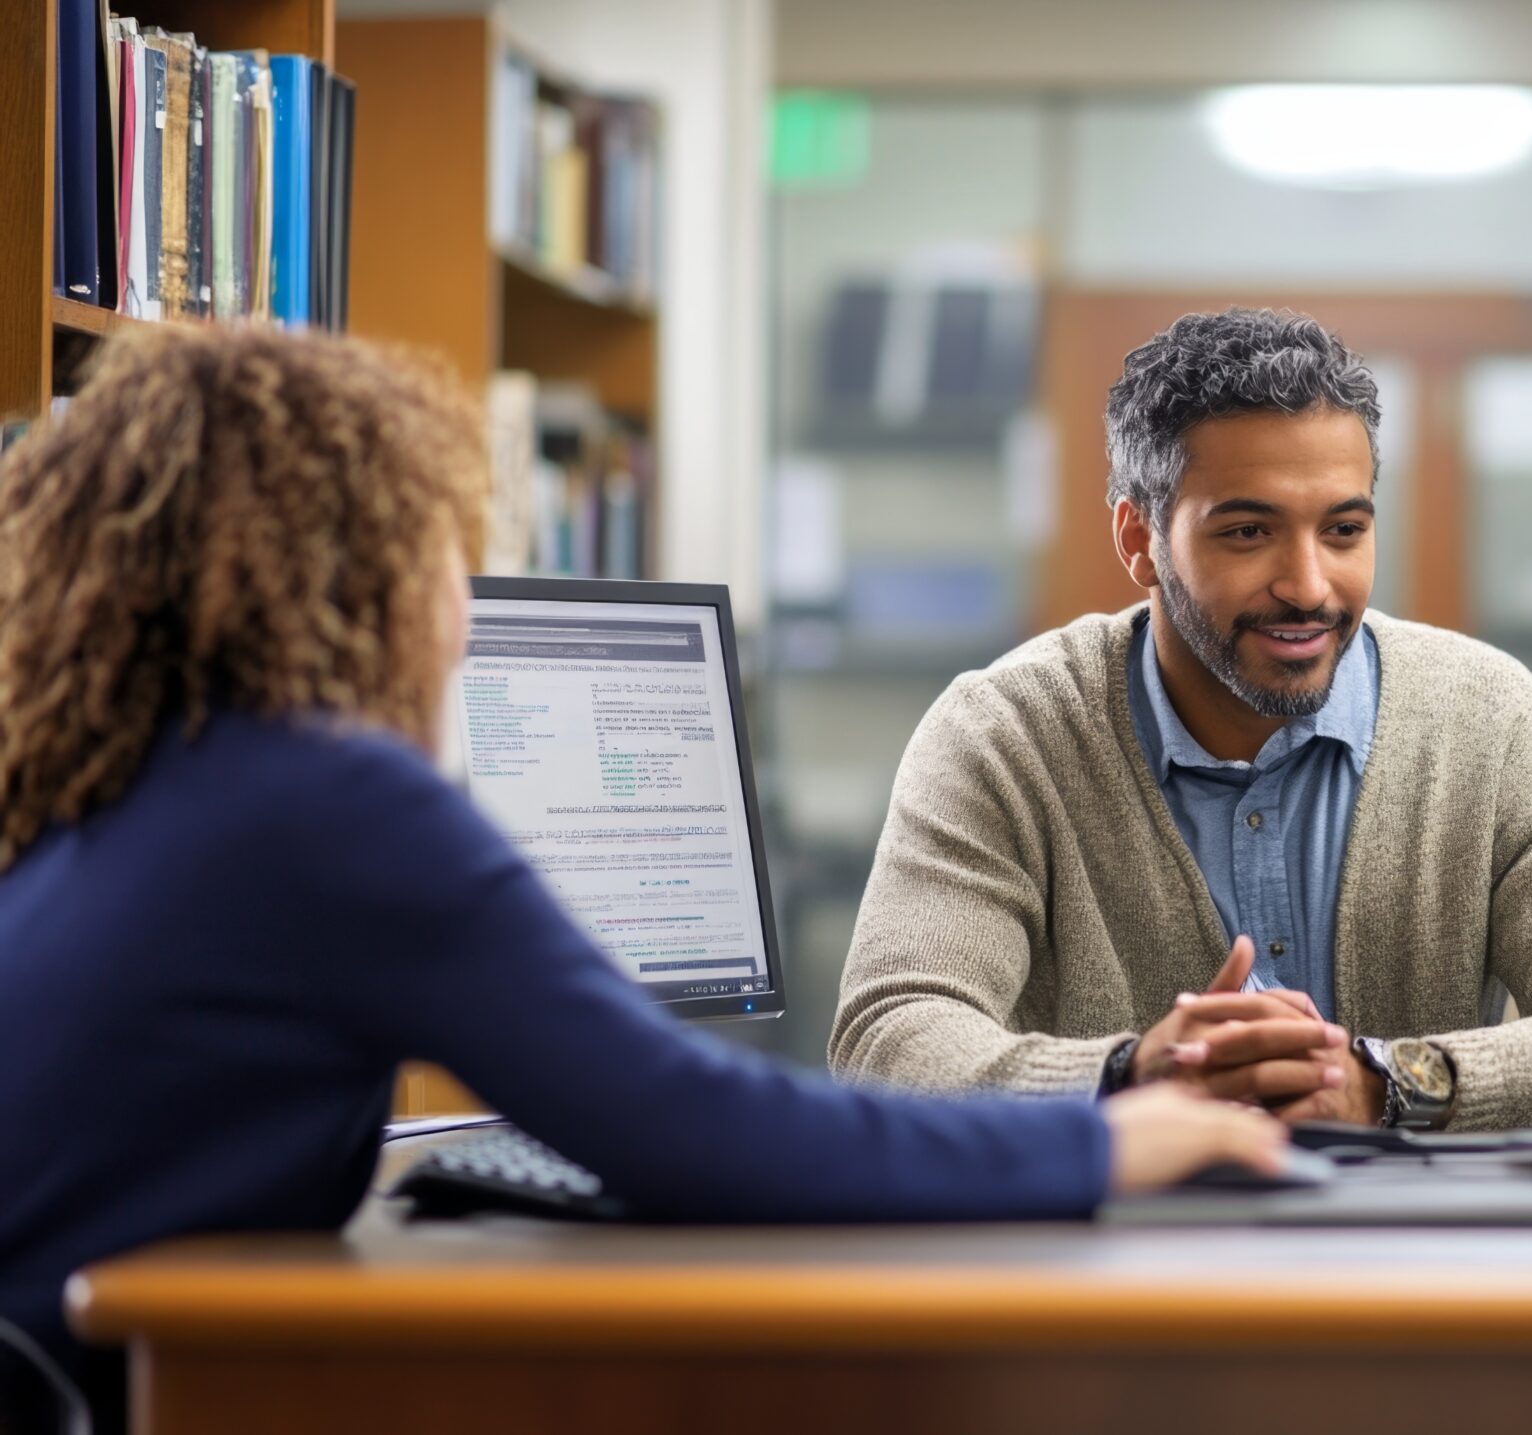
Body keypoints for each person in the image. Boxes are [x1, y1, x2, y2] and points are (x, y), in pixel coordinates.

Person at [0, 326, 1283, 1430]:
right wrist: (1100, 1140)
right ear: (367, 570)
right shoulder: (322, 801)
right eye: (442, 542)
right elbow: (697, 1130)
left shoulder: (116, 780)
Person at [832, 307, 1532, 1130]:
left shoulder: (1495, 722)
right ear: (1138, 539)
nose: (1308, 585)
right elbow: (889, 1038)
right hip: (1112, 1263)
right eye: (1249, 533)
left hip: (1423, 1264)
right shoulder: (1004, 735)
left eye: (1343, 530)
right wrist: (1129, 1077)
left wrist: (1382, 1081)